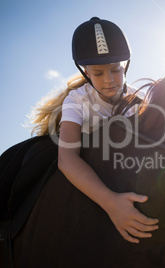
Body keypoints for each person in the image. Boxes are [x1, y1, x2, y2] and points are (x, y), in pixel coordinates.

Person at [29, 17, 158, 243]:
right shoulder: (76, 101)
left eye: (115, 70)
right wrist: (111, 203)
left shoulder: (139, 101)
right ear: (86, 73)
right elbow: (67, 159)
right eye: (98, 74)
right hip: (83, 169)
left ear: (125, 65)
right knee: (18, 164)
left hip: (122, 170)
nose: (109, 80)